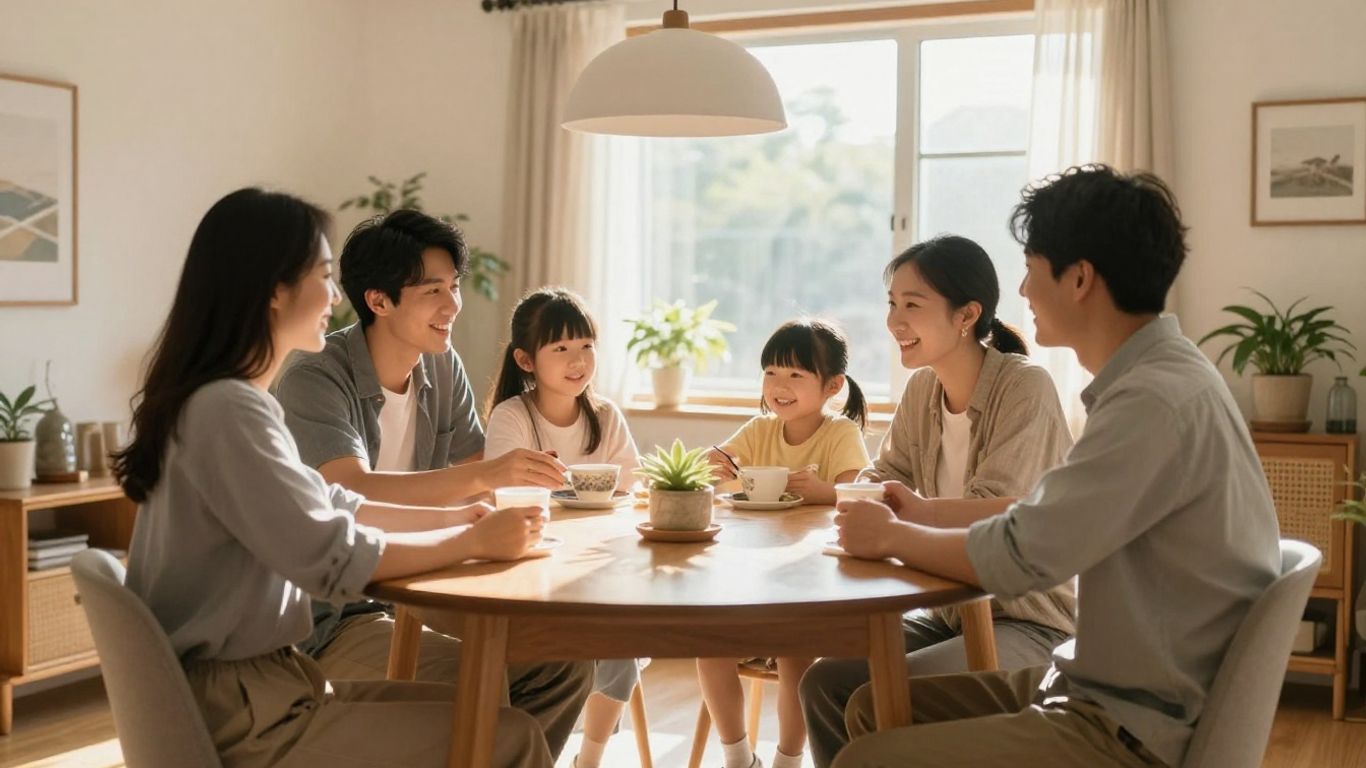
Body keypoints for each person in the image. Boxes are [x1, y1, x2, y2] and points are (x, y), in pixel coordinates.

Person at [829, 165, 1281, 768]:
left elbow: (1023, 554)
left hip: (1126, 723)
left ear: (1079, 278)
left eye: (1032, 268)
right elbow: (1047, 519)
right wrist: (918, 514)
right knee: (860, 707)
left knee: (868, 757)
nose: (1020, 292)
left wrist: (893, 535)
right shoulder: (1163, 380)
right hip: (1101, 683)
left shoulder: (1152, 402)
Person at [114, 188, 553, 767]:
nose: (334, 295)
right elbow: (328, 553)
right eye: (322, 275)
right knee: (504, 733)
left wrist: (455, 517)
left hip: (266, 686)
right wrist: (469, 540)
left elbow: (329, 503)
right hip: (249, 709)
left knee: (518, 698)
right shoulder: (231, 410)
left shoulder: (228, 402)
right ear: (274, 291)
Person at [274, 210, 590, 758]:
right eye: (433, 290)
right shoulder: (315, 375)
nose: (453, 306)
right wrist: (489, 475)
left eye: (456, 286)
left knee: (563, 665)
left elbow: (476, 485)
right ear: (378, 300)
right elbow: (351, 491)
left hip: (422, 592)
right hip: (336, 617)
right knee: (479, 688)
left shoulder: (441, 368)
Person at [799, 235, 1076, 767]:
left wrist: (907, 513)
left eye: (912, 305)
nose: (894, 321)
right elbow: (885, 475)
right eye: (891, 304)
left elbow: (1001, 508)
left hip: (1028, 620)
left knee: (878, 699)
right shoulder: (923, 391)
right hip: (951, 612)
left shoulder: (1026, 388)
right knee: (823, 681)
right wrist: (851, 492)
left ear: (966, 315)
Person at [701, 319, 872, 768]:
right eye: (772, 372)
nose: (780, 385)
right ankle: (739, 758)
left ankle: (787, 760)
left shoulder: (841, 434)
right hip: (749, 589)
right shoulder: (758, 430)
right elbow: (719, 462)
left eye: (796, 375)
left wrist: (825, 492)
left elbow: (860, 494)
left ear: (832, 385)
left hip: (811, 592)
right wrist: (712, 465)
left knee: (798, 657)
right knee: (709, 648)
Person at [484, 286, 643, 768]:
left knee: (622, 638)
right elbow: (503, 498)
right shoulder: (513, 416)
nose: (578, 360)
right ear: (526, 360)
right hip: (537, 566)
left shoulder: (605, 415)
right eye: (561, 348)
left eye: (586, 346)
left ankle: (588, 759)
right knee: (595, 637)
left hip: (597, 564)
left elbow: (632, 487)